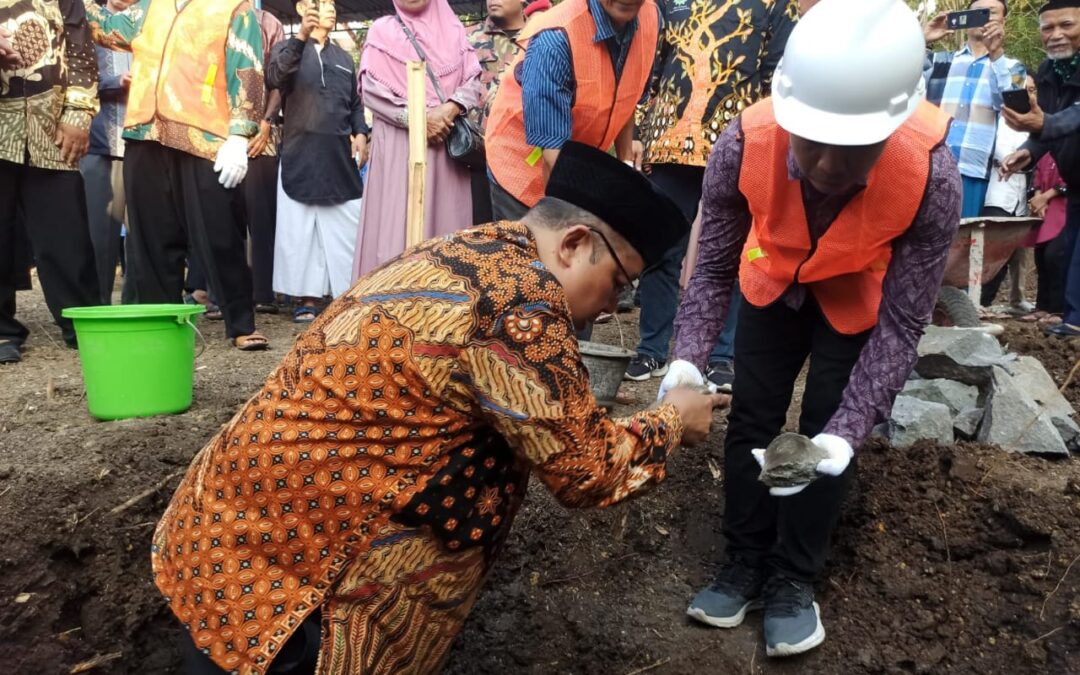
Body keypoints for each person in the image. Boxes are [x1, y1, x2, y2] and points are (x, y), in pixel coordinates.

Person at [153, 142, 725, 675]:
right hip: (295, 598)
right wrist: (675, 418)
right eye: (616, 283)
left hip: (222, 545)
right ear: (574, 243)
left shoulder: (464, 250)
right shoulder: (519, 300)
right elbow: (589, 470)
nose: (605, 310)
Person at [669, 0, 961, 657]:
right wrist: (687, 357)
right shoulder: (744, 140)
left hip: (855, 289)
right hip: (772, 278)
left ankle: (793, 577)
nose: (829, 165)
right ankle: (742, 560)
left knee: (828, 421)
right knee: (754, 415)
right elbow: (712, 266)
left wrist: (849, 432)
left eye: (854, 148)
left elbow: (904, 319)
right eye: (812, 141)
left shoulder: (933, 174)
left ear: (894, 124)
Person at [626, 0, 797, 389]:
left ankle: (720, 356)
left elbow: (777, 74)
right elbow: (652, 68)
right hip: (667, 142)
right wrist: (637, 132)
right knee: (659, 249)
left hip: (738, 141)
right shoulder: (669, 2)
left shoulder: (775, 4)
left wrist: (768, 140)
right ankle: (652, 348)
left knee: (731, 255)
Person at [84, 0, 270, 351]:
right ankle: (160, 322)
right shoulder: (148, 7)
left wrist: (239, 134)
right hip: (145, 134)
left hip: (203, 136)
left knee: (219, 233)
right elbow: (105, 27)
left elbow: (247, 69)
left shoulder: (234, 8)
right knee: (151, 239)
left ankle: (241, 322)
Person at [484, 0, 661, 220]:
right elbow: (553, 159)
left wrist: (625, 171)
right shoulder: (554, 38)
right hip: (523, 164)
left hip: (577, 159)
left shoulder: (651, 16)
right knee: (539, 247)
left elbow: (627, 94)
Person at [0, 0, 102, 365]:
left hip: (52, 129)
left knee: (67, 234)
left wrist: (78, 114)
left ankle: (85, 324)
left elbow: (80, 50)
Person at [352, 0, 484, 279]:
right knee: (394, 234)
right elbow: (372, 93)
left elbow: (473, 81)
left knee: (445, 238)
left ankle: (444, 316)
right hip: (399, 151)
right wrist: (420, 120)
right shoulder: (381, 31)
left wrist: (448, 110)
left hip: (445, 152)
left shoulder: (454, 30)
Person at [268, 0, 368, 323]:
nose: (330, 8)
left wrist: (362, 134)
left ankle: (347, 294)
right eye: (321, 3)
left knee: (348, 227)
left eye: (332, 3)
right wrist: (301, 37)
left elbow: (354, 102)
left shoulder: (342, 57)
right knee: (301, 232)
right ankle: (307, 299)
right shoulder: (287, 47)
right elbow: (276, 77)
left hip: (339, 159)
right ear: (301, 8)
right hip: (300, 155)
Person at [1001, 0, 1080, 337]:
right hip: (1076, 179)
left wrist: (1043, 124)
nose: (1056, 35)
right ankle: (1073, 320)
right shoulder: (1047, 73)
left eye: (1067, 25)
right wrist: (1028, 152)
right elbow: (1047, 126)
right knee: (1069, 248)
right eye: (1048, 28)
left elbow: (1071, 117)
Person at [923, 0, 1025, 217]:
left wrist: (996, 53)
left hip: (975, 171)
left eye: (992, 13)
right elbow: (900, 81)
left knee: (964, 242)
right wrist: (921, 40)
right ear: (966, 19)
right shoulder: (940, 61)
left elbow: (1016, 108)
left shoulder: (1012, 67)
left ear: (1003, 21)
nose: (985, 17)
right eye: (978, 12)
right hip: (930, 167)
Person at [80, 0, 134, 305]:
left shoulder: (149, 24)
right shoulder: (90, 25)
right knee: (99, 236)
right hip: (100, 143)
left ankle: (138, 306)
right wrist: (117, 82)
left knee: (144, 236)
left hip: (142, 145)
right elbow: (76, 76)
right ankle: (97, 307)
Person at [466, 0, 525, 224]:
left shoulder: (541, 36)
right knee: (479, 234)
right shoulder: (468, 39)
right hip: (478, 159)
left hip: (526, 160)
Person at [246, 6, 286, 316]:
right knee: (218, 213)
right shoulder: (208, 16)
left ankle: (263, 291)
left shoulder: (269, 23)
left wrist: (267, 121)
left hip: (263, 134)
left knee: (262, 217)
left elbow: (278, 81)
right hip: (216, 134)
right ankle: (217, 292)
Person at [1024, 154, 1071, 323]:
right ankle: (1043, 306)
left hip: (1065, 207)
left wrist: (1044, 197)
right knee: (1041, 257)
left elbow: (1070, 178)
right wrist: (1038, 198)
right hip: (1044, 208)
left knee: (1055, 256)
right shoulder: (1046, 149)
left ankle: (1059, 309)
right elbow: (1036, 175)